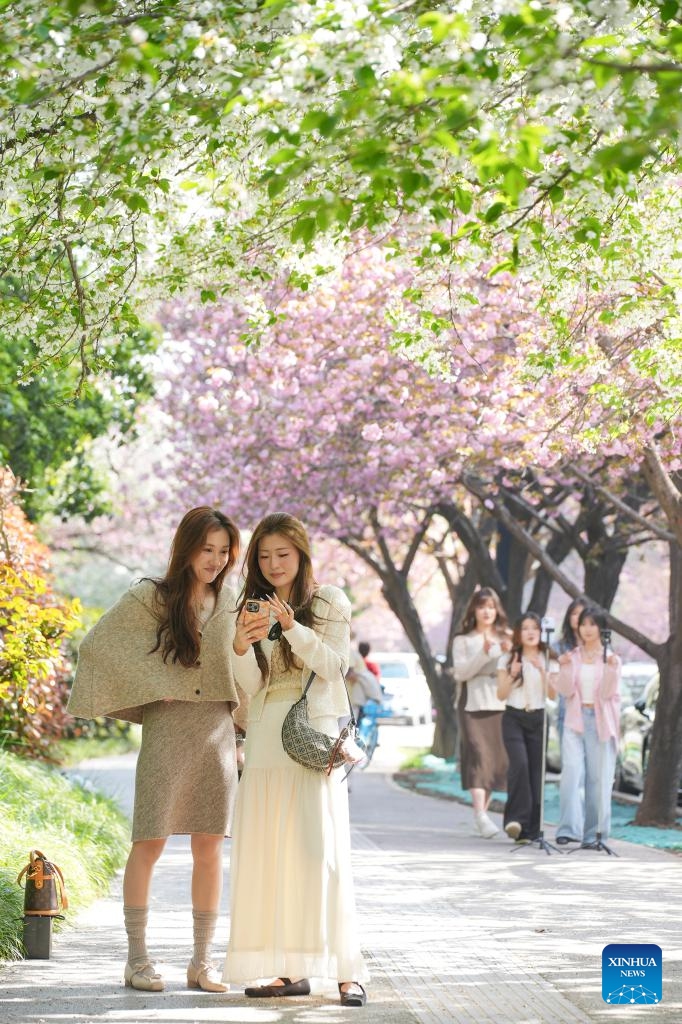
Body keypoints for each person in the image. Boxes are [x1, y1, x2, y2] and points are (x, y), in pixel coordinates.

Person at [67, 507, 245, 993]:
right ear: (186, 547)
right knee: (150, 842)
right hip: (168, 730)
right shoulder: (151, 596)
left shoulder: (230, 599)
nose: (215, 559)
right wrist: (154, 683)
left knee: (210, 847)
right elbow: (100, 646)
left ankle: (202, 961)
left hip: (217, 732)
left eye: (224, 550)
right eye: (207, 548)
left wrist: (245, 734)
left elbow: (245, 668)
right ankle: (137, 959)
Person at [223, 512, 368, 1007]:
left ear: (302, 554)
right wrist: (241, 645)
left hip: (312, 735)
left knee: (320, 853)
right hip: (265, 735)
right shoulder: (250, 606)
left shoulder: (327, 600)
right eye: (264, 556)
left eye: (282, 554)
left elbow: (334, 666)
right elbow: (251, 684)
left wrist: (292, 628)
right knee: (272, 854)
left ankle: (348, 970)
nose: (273, 563)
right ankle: (289, 970)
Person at [554, 606, 621, 847]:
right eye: (583, 624)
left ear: (601, 628)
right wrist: (563, 668)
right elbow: (565, 690)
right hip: (575, 719)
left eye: (593, 624)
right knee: (571, 772)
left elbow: (607, 693)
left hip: (601, 722)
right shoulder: (572, 656)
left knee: (598, 779)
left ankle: (594, 835)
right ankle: (568, 829)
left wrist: (612, 669)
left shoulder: (611, 659)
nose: (587, 629)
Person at [453, 587, 512, 839]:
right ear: (474, 610)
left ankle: (482, 816)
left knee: (493, 762)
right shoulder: (463, 640)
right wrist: (483, 653)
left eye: (491, 606)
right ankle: (480, 815)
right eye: (481, 606)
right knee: (477, 755)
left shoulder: (506, 637)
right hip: (472, 703)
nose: (487, 611)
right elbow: (461, 673)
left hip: (499, 704)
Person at [497, 613, 558, 844]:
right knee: (519, 764)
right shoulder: (507, 658)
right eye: (525, 628)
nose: (531, 632)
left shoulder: (548, 658)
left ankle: (531, 831)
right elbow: (501, 694)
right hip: (513, 716)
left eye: (535, 628)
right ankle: (516, 822)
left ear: (541, 632)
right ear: (518, 633)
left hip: (538, 718)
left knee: (535, 773)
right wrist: (513, 674)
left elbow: (552, 695)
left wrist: (543, 671)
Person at [554, 598, 586, 740]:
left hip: (591, 712)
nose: (578, 617)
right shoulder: (558, 648)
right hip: (566, 712)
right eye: (574, 613)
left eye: (582, 613)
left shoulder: (599, 649)